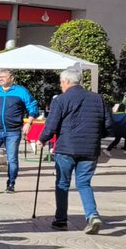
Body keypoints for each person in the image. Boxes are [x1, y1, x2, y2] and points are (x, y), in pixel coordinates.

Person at [38, 68, 115, 234]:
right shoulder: (98, 99)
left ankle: (61, 221)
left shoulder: (60, 100)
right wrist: (96, 135)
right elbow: (109, 125)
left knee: (62, 183)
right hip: (90, 148)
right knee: (84, 183)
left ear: (66, 81)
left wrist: (42, 139)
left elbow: (51, 125)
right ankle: (92, 215)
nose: (61, 86)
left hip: (66, 148)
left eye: (61, 82)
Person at [0, 69, 39, 193]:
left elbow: (32, 105)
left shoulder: (21, 91)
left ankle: (11, 184)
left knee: (12, 159)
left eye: (3, 76)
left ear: (11, 78)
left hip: (13, 131)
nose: (0, 79)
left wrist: (29, 123)